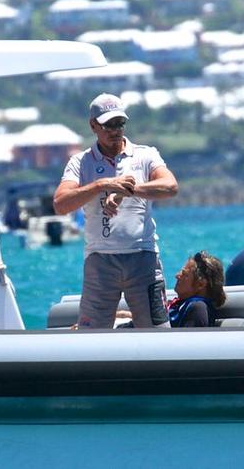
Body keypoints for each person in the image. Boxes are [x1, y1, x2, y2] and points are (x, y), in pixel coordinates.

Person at [53, 93, 178, 329]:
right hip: (100, 261)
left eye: (119, 123)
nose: (115, 130)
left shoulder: (145, 155)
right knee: (92, 337)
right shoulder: (80, 162)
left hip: (143, 257)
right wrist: (102, 185)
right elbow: (61, 204)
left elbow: (170, 187)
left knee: (157, 333)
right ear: (93, 126)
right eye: (108, 125)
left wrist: (126, 190)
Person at [167, 251, 227, 328]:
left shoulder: (198, 308)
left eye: (184, 274)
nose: (177, 276)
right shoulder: (180, 304)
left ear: (200, 284)